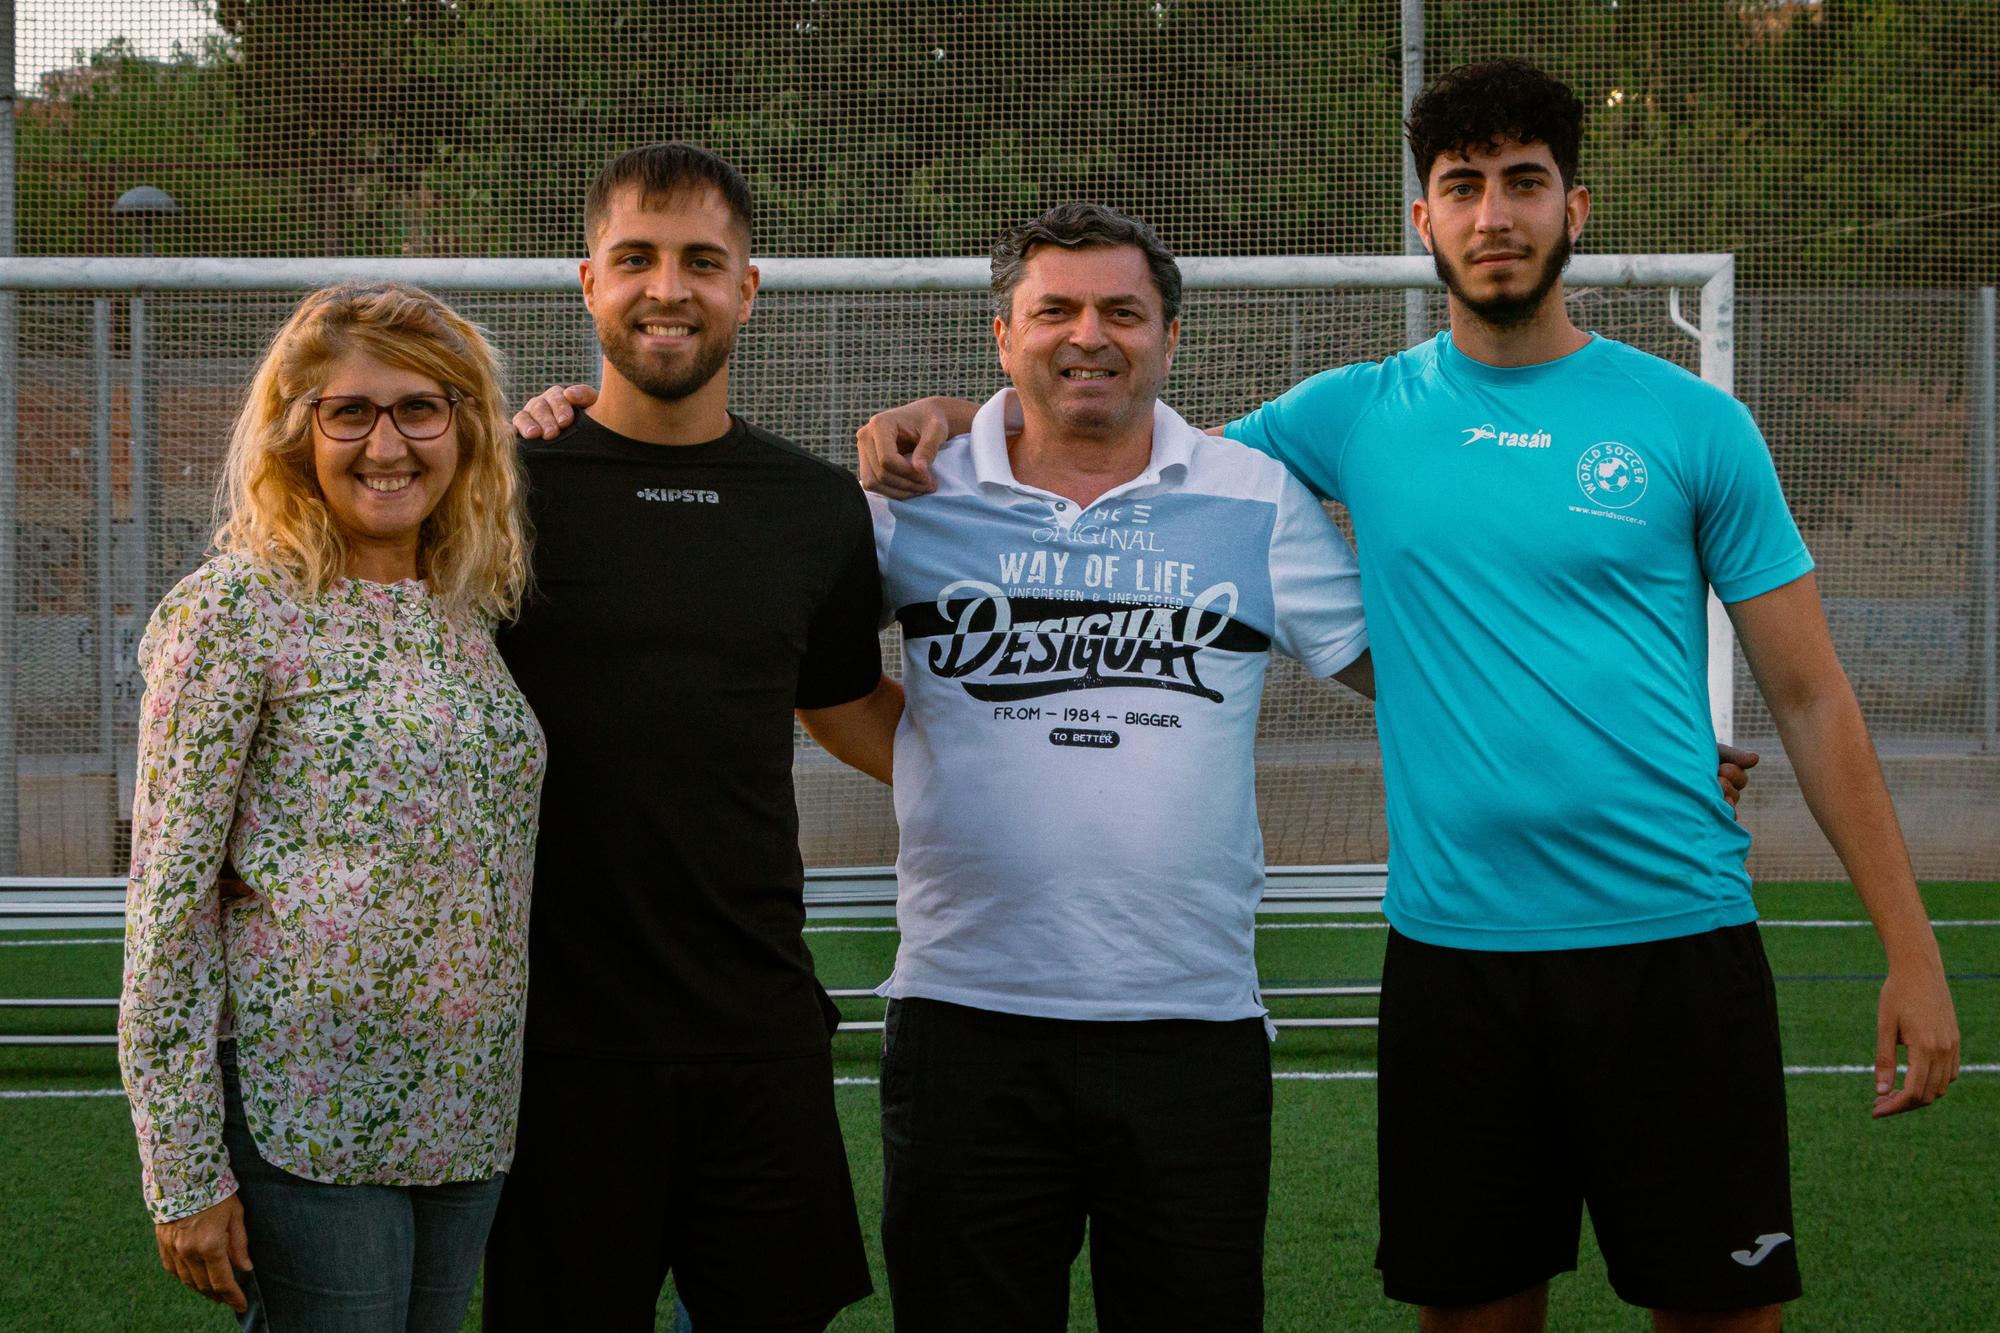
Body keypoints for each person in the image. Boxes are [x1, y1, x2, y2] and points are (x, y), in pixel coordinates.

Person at [853, 57, 1962, 1333]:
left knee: (1721, 1317)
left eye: (1524, 184)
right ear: (1420, 221)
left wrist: (1909, 944)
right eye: (1462, 187)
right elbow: (1120, 431)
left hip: (1673, 942)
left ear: (1574, 208)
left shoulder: (1691, 422)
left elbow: (1814, 697)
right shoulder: (1346, 416)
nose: (1494, 215)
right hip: (1453, 959)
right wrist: (953, 413)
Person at [480, 143, 896, 1333]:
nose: (669, 288)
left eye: (701, 262)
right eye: (636, 260)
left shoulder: (815, 507)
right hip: (550, 1041)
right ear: (586, 283)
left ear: (747, 289)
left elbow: (842, 704)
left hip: (754, 1027)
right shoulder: (498, 491)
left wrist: (1043, 756)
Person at [119, 282, 545, 1332]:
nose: (385, 442)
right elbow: (166, 904)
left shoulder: (468, 610)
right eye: (347, 411)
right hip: (307, 1109)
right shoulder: (235, 608)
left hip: (468, 1109)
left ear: (465, 429)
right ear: (295, 433)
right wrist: (181, 1168)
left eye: (420, 408)